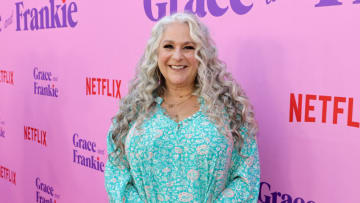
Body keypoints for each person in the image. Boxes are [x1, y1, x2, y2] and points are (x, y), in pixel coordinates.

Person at [104, 12, 260, 203]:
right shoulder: (135, 108)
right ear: (156, 53)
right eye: (169, 46)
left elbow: (246, 177)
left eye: (188, 47)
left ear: (202, 55)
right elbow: (116, 174)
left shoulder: (229, 110)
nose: (177, 56)